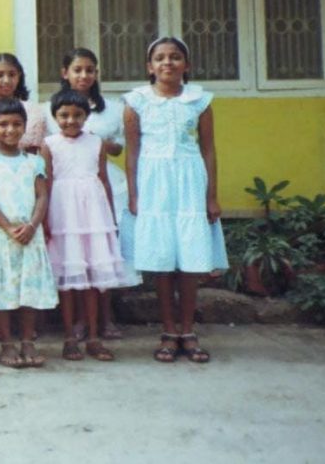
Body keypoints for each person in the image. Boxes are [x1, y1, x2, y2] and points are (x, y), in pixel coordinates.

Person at [123, 37, 227, 363]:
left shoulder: (199, 101)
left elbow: (208, 150)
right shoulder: (136, 101)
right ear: (149, 66)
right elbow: (132, 152)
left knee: (190, 260)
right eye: (160, 58)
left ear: (187, 65)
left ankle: (188, 331)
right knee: (162, 260)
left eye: (175, 57)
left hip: (189, 181)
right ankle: (168, 331)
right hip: (153, 184)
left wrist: (211, 196)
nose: (167, 62)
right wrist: (134, 194)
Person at [45, 47, 141, 341]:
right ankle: (77, 321)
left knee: (101, 254)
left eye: (89, 70)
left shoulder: (111, 107)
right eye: (77, 69)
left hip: (99, 187)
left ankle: (105, 317)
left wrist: (95, 141)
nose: (84, 75)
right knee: (74, 255)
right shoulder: (50, 108)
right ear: (65, 73)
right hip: (66, 193)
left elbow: (119, 147)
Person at [42, 90, 131, 363]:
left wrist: (111, 219)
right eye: (64, 115)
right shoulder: (49, 144)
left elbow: (104, 179)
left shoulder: (96, 143)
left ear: (86, 116)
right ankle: (70, 337)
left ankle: (93, 337)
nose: (71, 120)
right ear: (55, 117)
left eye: (77, 115)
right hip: (63, 215)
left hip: (93, 216)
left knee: (93, 278)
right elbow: (46, 184)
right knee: (68, 279)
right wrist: (44, 220)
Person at [0, 98, 56, 369]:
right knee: (3, 289)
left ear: (25, 126)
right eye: (3, 124)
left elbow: (42, 196)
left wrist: (32, 225)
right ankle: (7, 343)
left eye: (16, 124)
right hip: (0, 235)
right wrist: (8, 228)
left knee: (28, 289)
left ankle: (28, 341)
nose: (10, 129)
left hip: (30, 234)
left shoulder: (34, 161)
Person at [0, 52, 46, 153]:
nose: (6, 80)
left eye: (12, 75)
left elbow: (33, 150)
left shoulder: (32, 110)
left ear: (19, 76)